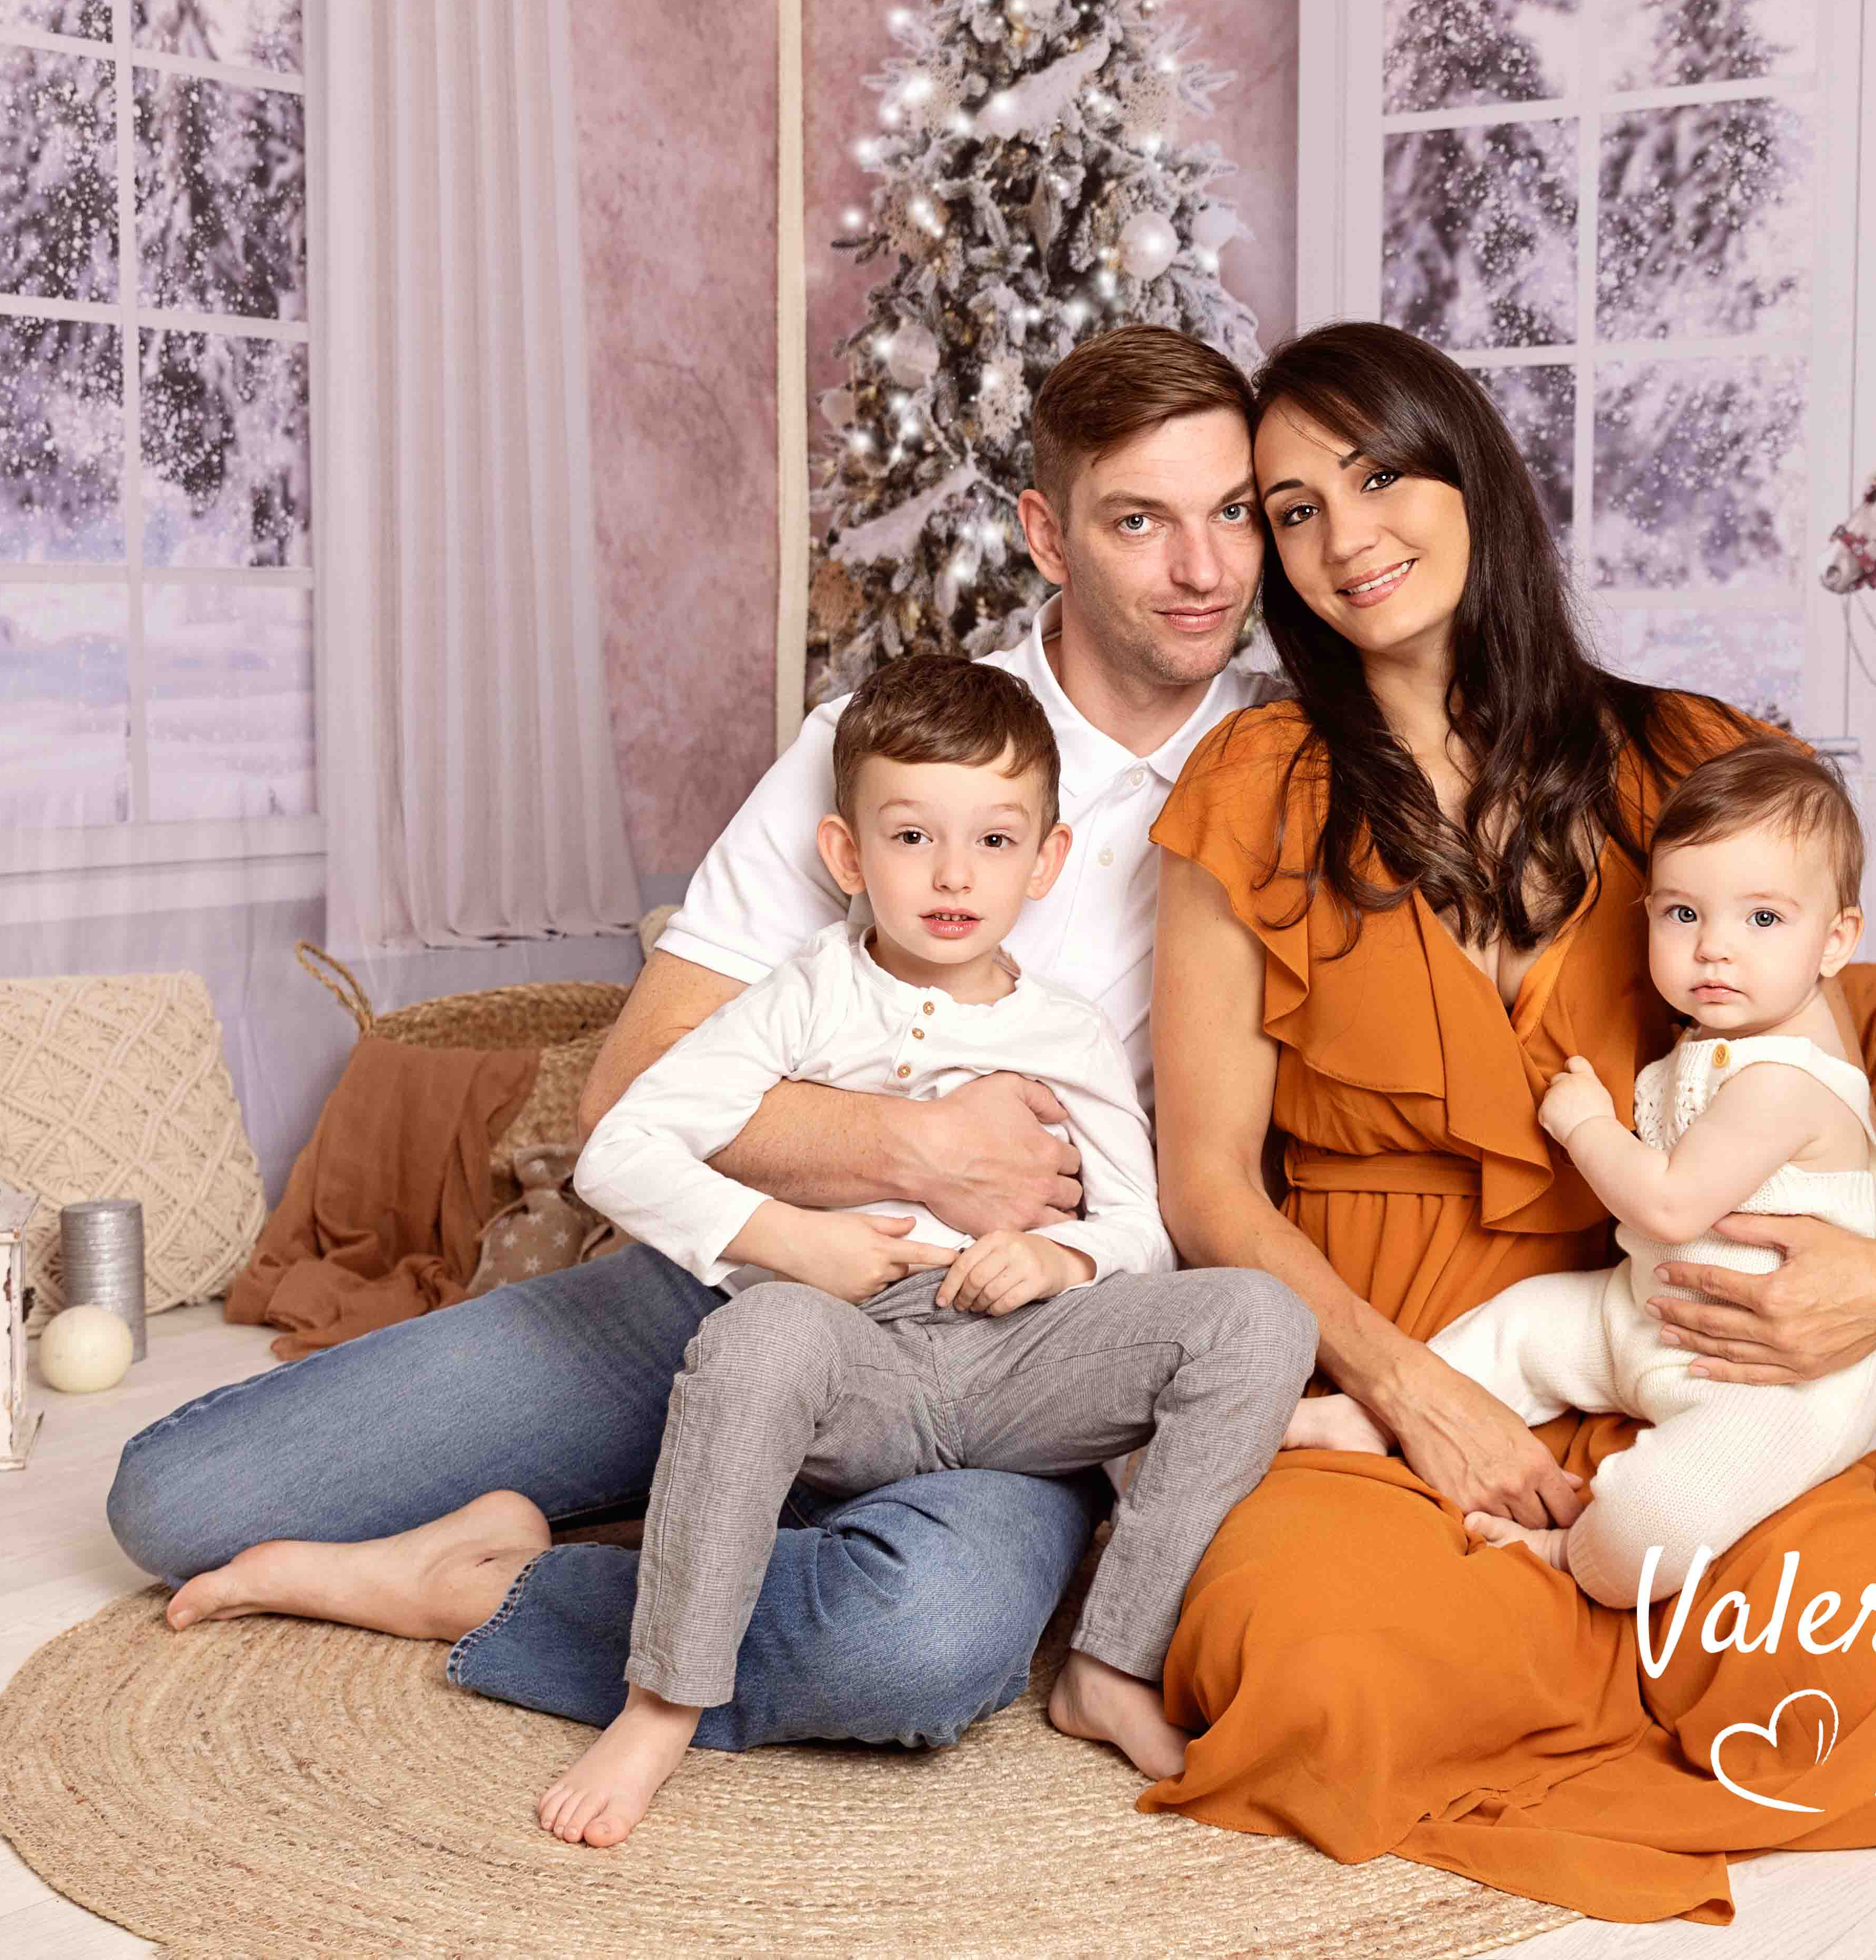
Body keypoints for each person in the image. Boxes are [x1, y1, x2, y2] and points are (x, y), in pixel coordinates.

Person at [109, 325, 1272, 1756]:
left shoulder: (1283, 772)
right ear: (1047, 534)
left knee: (911, 1642)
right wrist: (918, 1150)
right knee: (177, 1500)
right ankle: (687, 1506)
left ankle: (497, 1585)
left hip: (1008, 1349)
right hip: (734, 1285)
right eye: (1140, 520)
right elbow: (628, 1091)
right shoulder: (885, 743)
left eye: (1234, 513)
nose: (1203, 568)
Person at [1141, 320, 1876, 1924]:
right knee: (1317, 1680)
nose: (1344, 536)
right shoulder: (1260, 783)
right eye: (1294, 509)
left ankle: (1639, 1671)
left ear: (1473, 474)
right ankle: (1541, 1661)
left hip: (1684, 1364)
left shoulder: (1696, 761)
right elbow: (1206, 1191)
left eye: (1378, 477)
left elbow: (1867, 1086)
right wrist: (1418, 1397)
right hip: (1390, 1376)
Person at [538, 655, 1312, 1844]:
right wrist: (795, 1241)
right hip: (856, 1354)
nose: (955, 875)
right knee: (761, 1334)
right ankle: (662, 1702)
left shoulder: (1068, 1033)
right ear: (848, 855)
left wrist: (1065, 1263)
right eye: (912, 837)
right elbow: (619, 1145)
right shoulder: (806, 996)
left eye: (995, 842)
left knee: (1258, 1317)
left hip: (1022, 1366)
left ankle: (1113, 1661)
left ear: (1045, 861)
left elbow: (1140, 1227)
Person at [1282, 739, 1876, 1612]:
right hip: (1646, 1314)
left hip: (1771, 1379)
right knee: (1522, 1324)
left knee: (1660, 1517)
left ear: (1836, 940)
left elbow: (1669, 1203)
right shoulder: (1723, 1039)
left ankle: (1573, 1552)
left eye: (1763, 921)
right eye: (1683, 914)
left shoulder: (1789, 1080)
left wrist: (1583, 1126)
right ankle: (1365, 1418)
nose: (1715, 949)